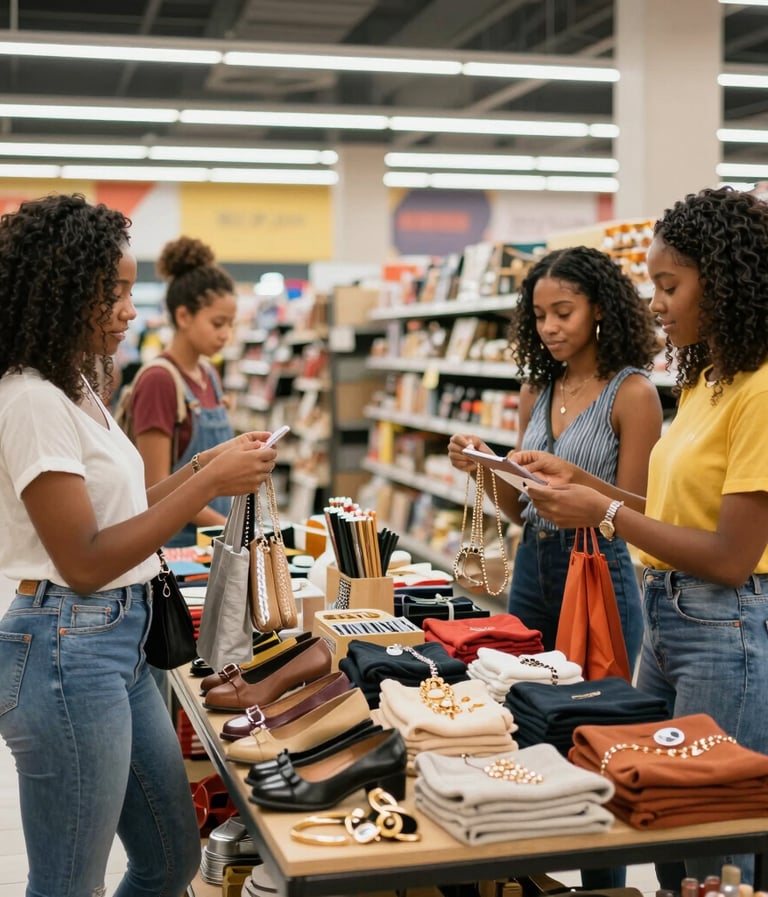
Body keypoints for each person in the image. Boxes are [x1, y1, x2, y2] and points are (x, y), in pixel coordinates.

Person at [0, 193, 278, 897]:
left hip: (120, 640)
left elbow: (121, 510)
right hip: (67, 645)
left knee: (170, 856)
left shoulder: (80, 388)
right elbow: (85, 556)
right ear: (61, 291)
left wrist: (202, 469)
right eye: (112, 291)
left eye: (131, 289)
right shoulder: (30, 398)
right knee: (68, 882)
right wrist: (209, 478)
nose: (130, 308)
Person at [515, 186, 768, 887]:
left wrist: (599, 513)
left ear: (722, 280)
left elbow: (730, 554)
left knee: (711, 847)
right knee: (656, 818)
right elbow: (661, 511)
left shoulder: (761, 391)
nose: (656, 303)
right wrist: (579, 482)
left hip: (725, 626)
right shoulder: (707, 381)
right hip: (668, 617)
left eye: (669, 285)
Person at [448, 245, 662, 666]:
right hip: (531, 560)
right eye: (540, 315)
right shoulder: (535, 391)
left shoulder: (633, 393)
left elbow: (640, 513)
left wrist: (576, 479)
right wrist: (484, 466)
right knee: (524, 688)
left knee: (596, 699)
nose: (549, 327)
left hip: (598, 564)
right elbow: (521, 510)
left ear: (599, 309)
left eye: (563, 313)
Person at [130, 235, 237, 548]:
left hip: (216, 543)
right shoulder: (159, 381)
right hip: (177, 550)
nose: (226, 335)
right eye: (217, 323)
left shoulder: (209, 376)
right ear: (183, 316)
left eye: (230, 324)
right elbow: (156, 488)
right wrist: (228, 526)